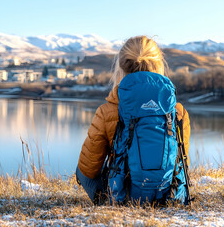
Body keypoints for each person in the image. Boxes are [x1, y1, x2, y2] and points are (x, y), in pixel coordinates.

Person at [76, 35, 191, 204]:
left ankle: (105, 200)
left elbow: (88, 169)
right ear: (159, 65)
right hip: (168, 197)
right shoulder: (178, 112)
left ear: (121, 67)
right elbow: (181, 159)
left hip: (123, 198)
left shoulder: (108, 111)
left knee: (81, 171)